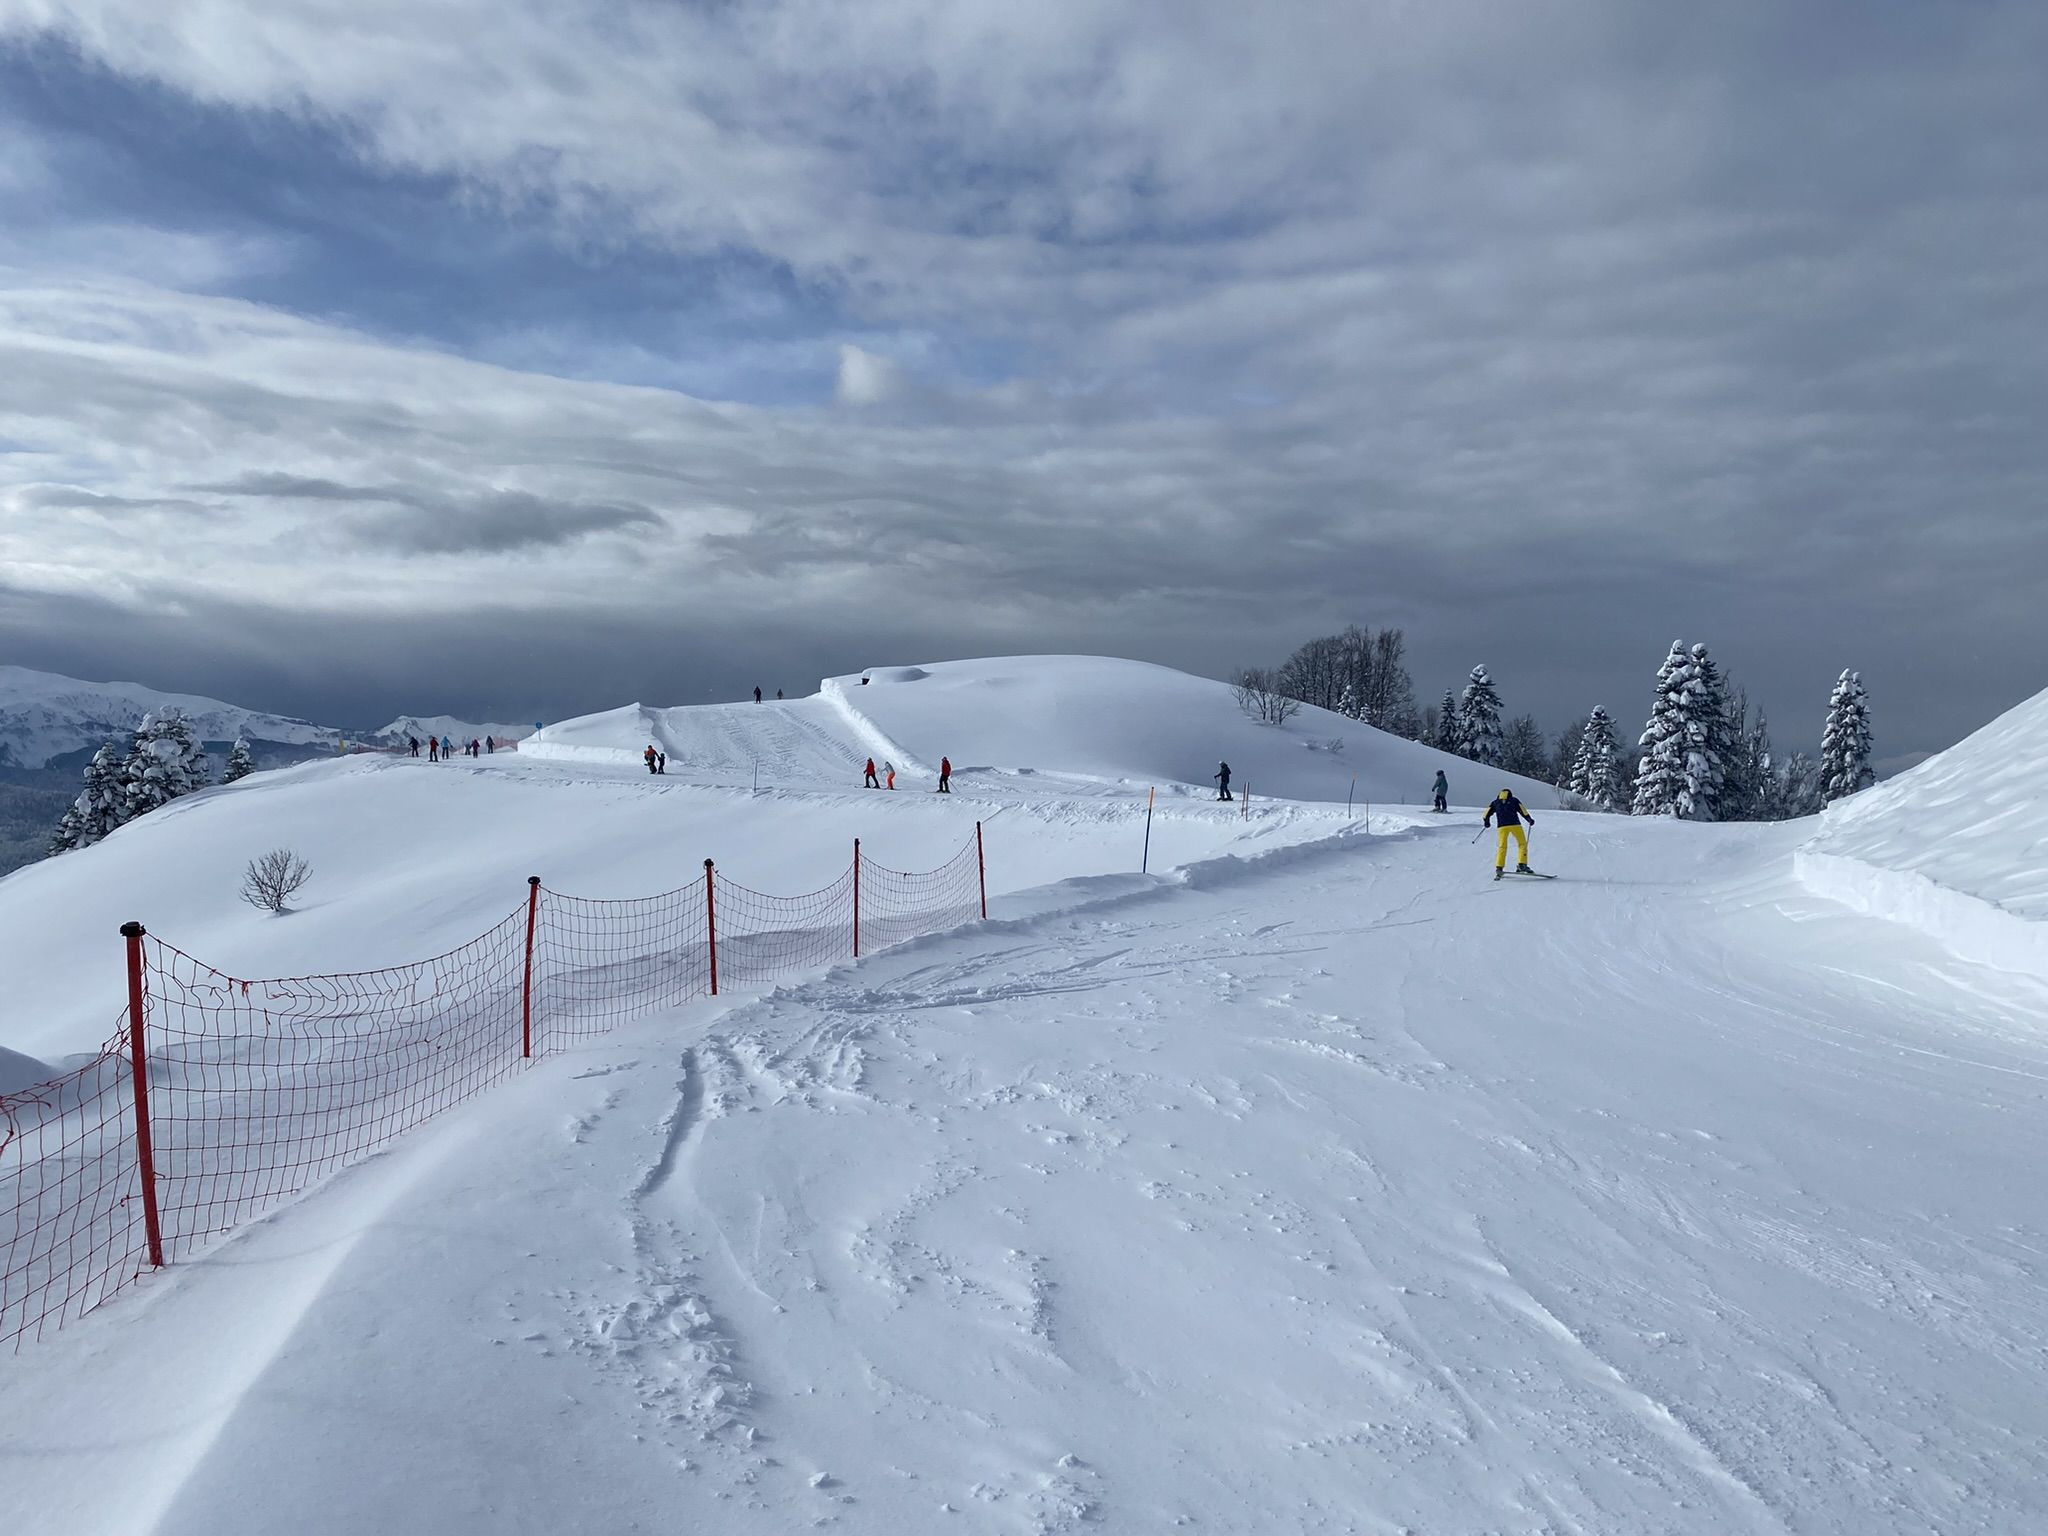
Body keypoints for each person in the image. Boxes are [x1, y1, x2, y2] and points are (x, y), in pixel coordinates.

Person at [1483, 788, 1537, 879]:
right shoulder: (1514, 800)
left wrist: (1486, 822)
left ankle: (1499, 867)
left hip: (1502, 827)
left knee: (1502, 846)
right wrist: (1529, 820)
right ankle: (1522, 865)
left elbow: (1486, 814)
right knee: (1522, 844)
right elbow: (1522, 811)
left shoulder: (1495, 802)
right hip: (1515, 825)